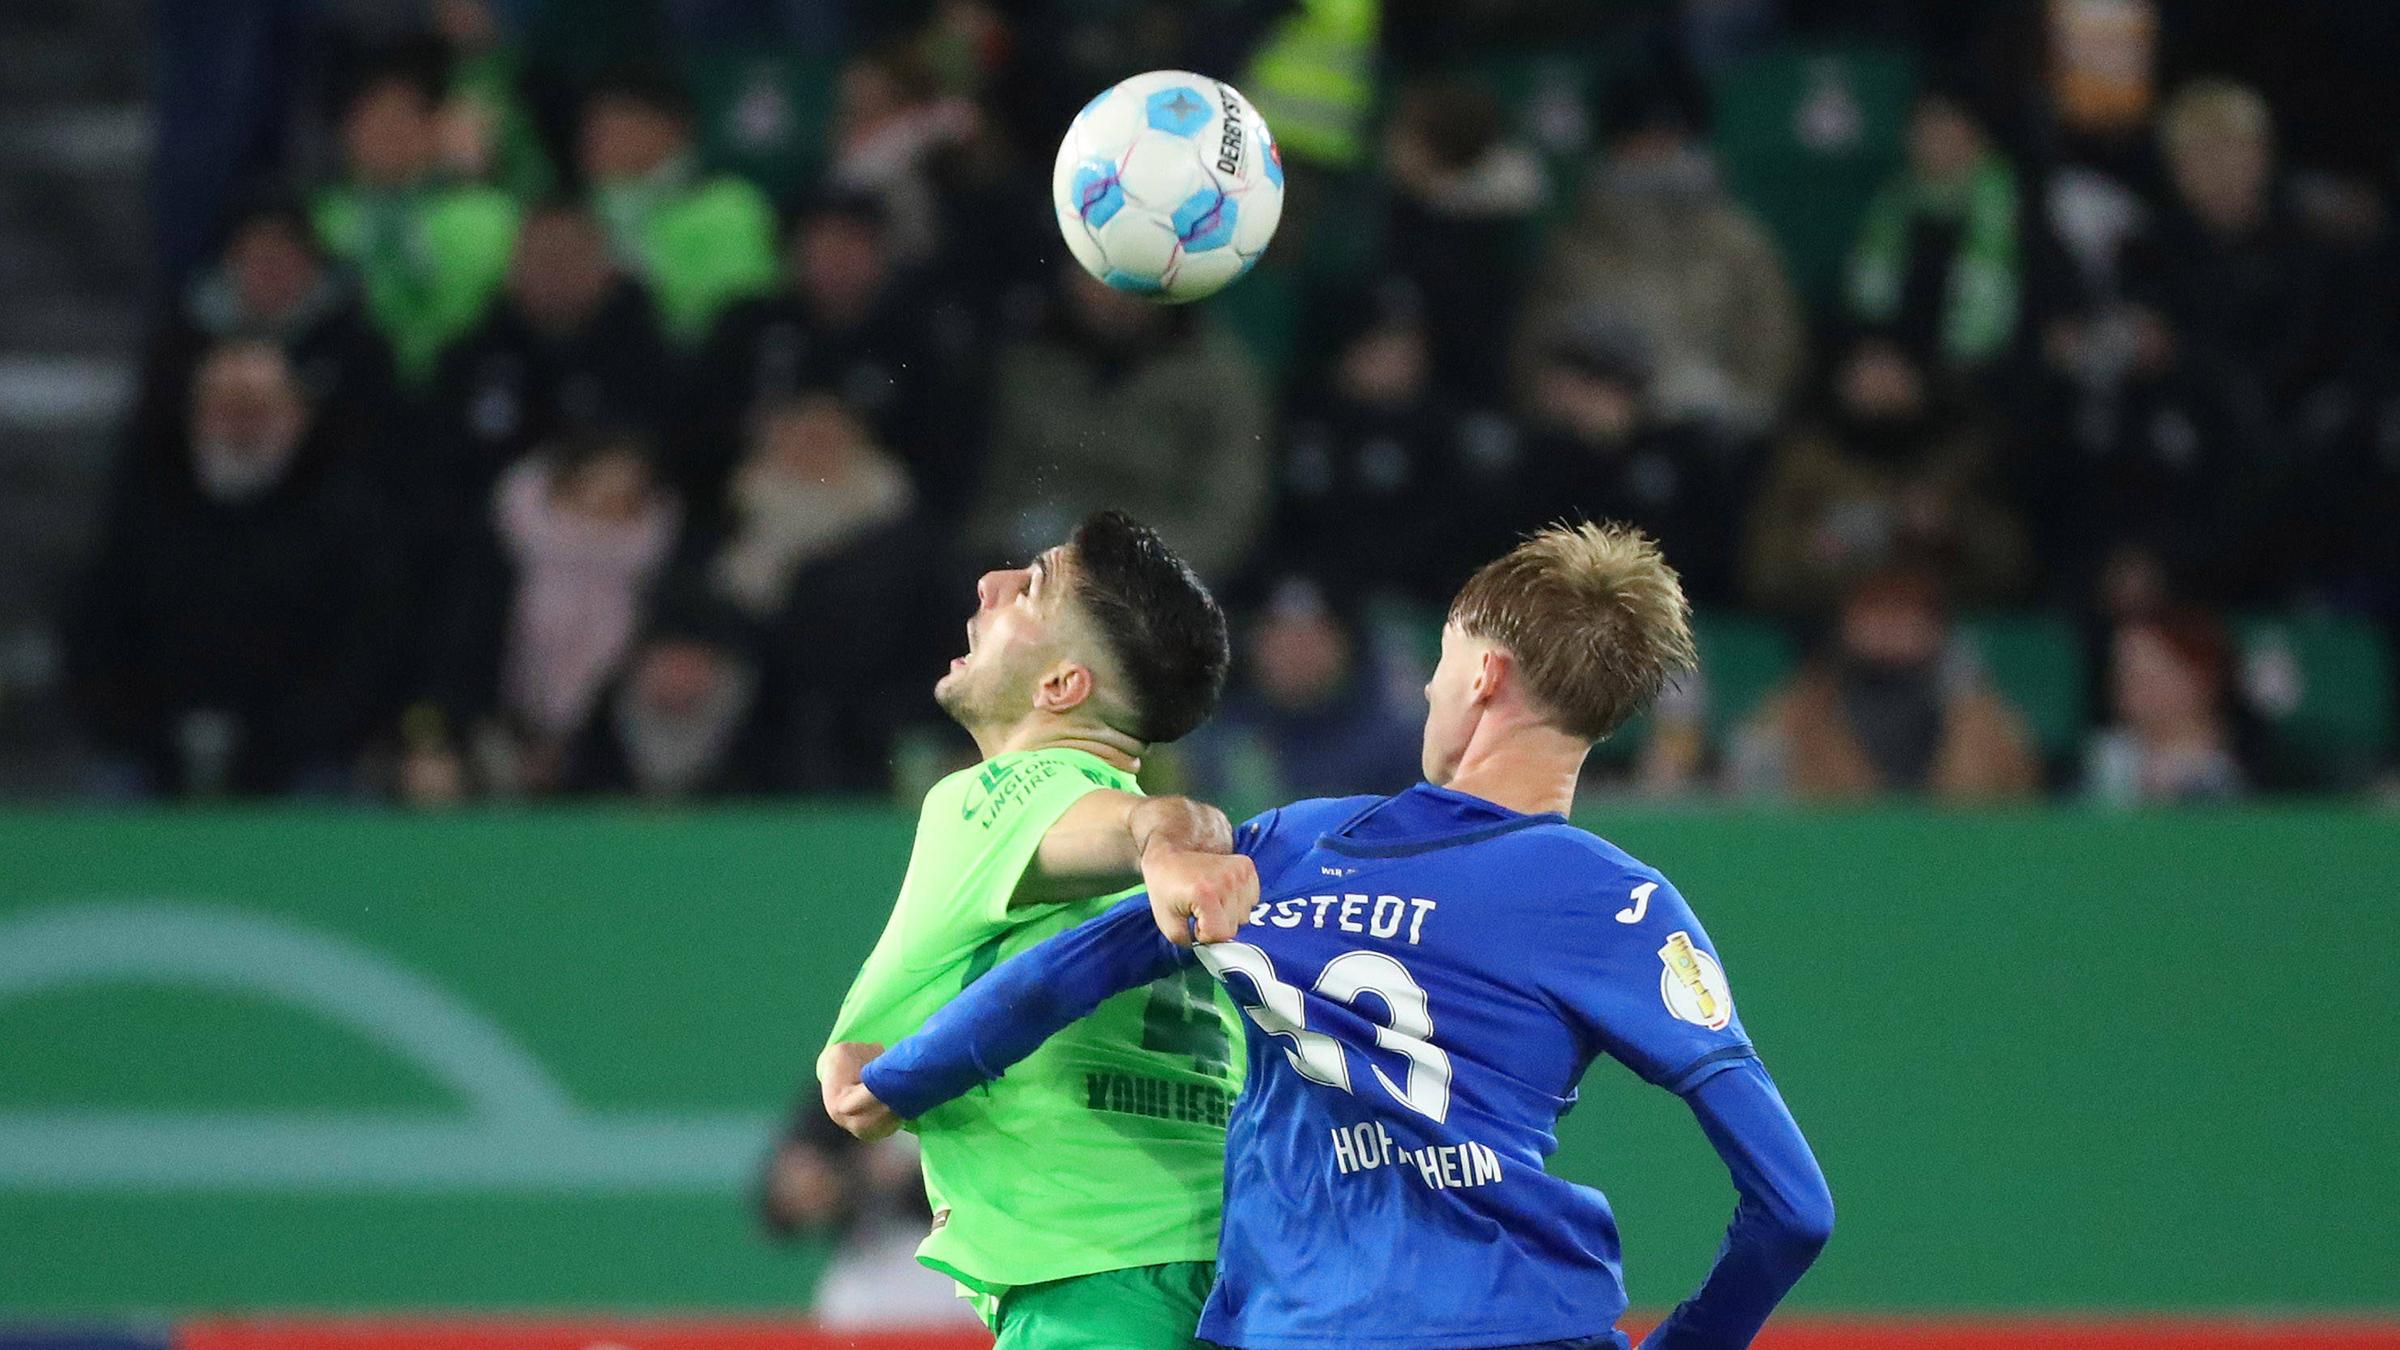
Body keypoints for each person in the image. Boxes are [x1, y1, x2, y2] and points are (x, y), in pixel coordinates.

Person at [827, 523, 1834, 1350]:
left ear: (1483, 675)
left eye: (1437, 665)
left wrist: (901, 1078)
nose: (1430, 691)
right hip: (1532, 1322)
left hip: (1293, 1328)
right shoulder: (1624, 906)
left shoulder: (1292, 845)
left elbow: (1063, 974)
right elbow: (1793, 1209)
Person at [817, 510, 1262, 1347]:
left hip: (1098, 1286)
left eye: (1030, 587)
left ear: (1062, 686)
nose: (989, 585)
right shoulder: (1195, 858)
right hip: (1244, 1271)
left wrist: (1161, 840)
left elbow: (1137, 821)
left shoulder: (997, 796)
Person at [64, 342, 401, 797]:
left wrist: (277, 743)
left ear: (297, 415)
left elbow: (365, 657)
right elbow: (95, 645)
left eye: (258, 409)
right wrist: (154, 739)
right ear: (195, 414)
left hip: (303, 757)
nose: (242, 426)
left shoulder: (346, 515)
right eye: (225, 407)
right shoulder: (145, 509)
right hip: (151, 753)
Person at [1516, 73, 1803, 437]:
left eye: (1667, 137)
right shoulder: (1574, 247)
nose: (1654, 151)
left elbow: (1773, 339)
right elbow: (1540, 355)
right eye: (1639, 139)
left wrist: (1742, 405)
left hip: (1721, 439)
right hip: (1603, 440)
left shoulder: (1738, 239)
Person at [972, 270, 1270, 580]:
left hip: (1152, 585)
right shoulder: (1025, 355)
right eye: (1097, 266)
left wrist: (1131, 571)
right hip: (1027, 567)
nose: (1114, 289)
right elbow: (990, 498)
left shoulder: (1220, 376)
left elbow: (1226, 518)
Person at [1743, 333, 2030, 614]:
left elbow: (2013, 565)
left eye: (1894, 370)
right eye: (1867, 371)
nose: (1882, 385)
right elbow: (1762, 571)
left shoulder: (1965, 459)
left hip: (1944, 619)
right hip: (1827, 620)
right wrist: (1810, 549)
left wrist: (1952, 529)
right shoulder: (1803, 462)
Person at [1734, 567, 2040, 801]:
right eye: (1875, 610)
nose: (1888, 625)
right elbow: (1744, 771)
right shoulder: (1806, 703)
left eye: (1905, 612)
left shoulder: (1975, 709)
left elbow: (2012, 794)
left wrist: (1966, 698)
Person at [312, 50, 522, 387]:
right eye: (370, 117)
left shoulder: (491, 216)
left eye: (401, 117)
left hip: (457, 383)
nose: (385, 133)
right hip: (344, 385)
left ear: (435, 128)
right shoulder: (321, 217)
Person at [577, 69, 780, 348]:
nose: (590, 141)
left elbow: (739, 306)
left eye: (607, 127)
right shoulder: (587, 207)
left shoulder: (729, 205)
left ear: (665, 128)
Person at [1185, 577, 1425, 807]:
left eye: (1313, 635)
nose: (1296, 652)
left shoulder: (1392, 747)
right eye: (1280, 635)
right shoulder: (1219, 740)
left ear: (1343, 645)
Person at [1843, 84, 2024, 376]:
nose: (1934, 138)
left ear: (1979, 136)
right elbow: (1866, 308)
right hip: (1900, 375)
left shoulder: (2015, 207)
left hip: (1990, 374)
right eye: (1924, 127)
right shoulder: (1891, 205)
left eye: (1947, 126)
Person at [2084, 607, 2249, 805]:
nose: (2128, 687)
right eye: (2122, 674)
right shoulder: (2107, 758)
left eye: (2147, 677)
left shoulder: (2236, 764)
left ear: (2199, 678)